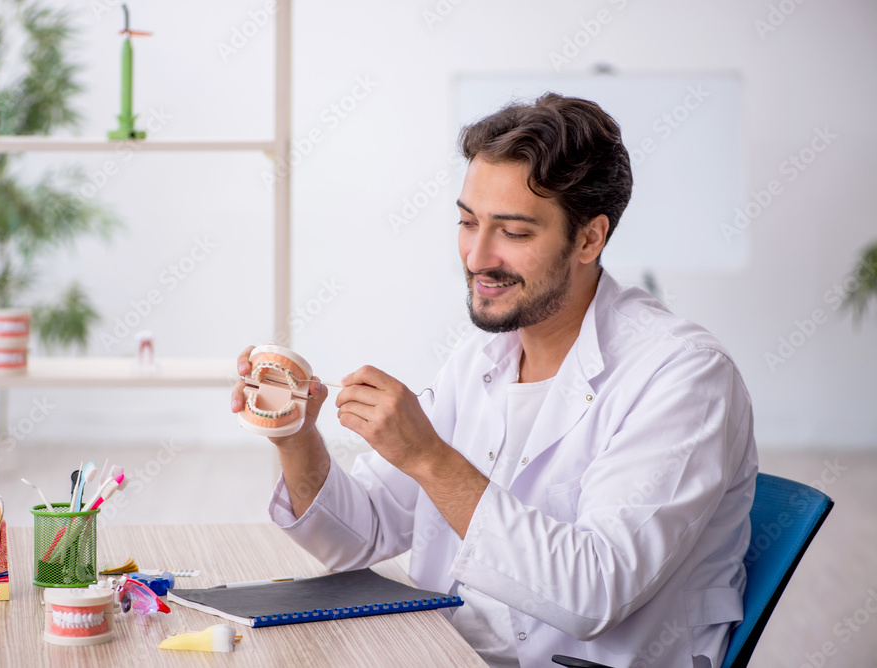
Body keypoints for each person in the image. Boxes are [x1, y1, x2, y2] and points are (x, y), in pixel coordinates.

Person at [231, 93, 758, 668]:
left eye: (513, 232)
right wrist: (295, 436)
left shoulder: (683, 375)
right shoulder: (485, 353)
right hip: (449, 653)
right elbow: (362, 533)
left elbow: (594, 591)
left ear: (589, 238)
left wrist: (430, 458)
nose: (478, 256)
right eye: (467, 221)